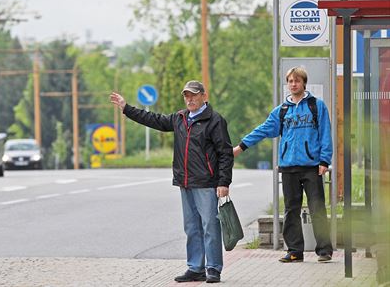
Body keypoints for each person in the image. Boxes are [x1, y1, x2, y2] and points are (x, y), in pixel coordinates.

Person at [110, 80, 234, 283]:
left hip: (206, 182)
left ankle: (213, 268)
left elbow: (225, 154)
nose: (190, 99)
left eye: (194, 95)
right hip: (185, 182)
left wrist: (223, 182)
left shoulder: (214, 120)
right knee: (192, 227)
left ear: (204, 96)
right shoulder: (179, 118)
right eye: (186, 95)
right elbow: (153, 119)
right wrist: (126, 108)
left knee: (210, 226)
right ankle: (195, 268)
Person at [233, 66, 333, 263]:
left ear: (304, 83)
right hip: (288, 167)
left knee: (317, 208)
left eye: (297, 81)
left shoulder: (316, 106)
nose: (293, 84)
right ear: (287, 84)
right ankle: (295, 251)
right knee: (291, 210)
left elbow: (325, 134)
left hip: (312, 166)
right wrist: (241, 146)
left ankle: (324, 250)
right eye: (290, 81)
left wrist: (324, 160)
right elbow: (263, 129)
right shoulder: (282, 111)